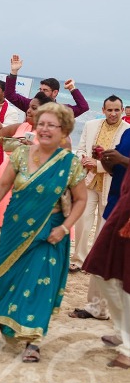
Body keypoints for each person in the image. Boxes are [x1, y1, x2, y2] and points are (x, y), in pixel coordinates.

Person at [0, 103, 87, 363]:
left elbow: (80, 200)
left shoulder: (69, 164)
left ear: (64, 131)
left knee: (39, 283)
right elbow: (3, 184)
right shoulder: (20, 154)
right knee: (5, 276)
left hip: (49, 233)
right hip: (14, 228)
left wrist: (64, 227)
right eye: (42, 124)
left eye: (52, 125)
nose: (45, 129)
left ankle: (33, 341)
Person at [82, 156, 130, 369]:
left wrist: (122, 159)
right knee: (101, 268)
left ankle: (128, 348)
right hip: (123, 204)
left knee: (126, 278)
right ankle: (122, 331)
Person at [72, 96, 129, 272]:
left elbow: (121, 160)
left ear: (122, 111)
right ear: (103, 110)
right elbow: (80, 148)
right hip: (88, 182)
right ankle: (78, 260)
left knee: (104, 225)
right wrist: (84, 159)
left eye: (116, 110)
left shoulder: (127, 131)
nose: (113, 113)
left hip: (112, 185)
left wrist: (97, 164)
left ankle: (96, 262)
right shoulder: (90, 126)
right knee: (82, 222)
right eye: (109, 110)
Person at [0, 92, 55, 227]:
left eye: (34, 108)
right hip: (6, 183)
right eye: (29, 107)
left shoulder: (48, 133)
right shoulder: (21, 127)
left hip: (26, 185)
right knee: (5, 223)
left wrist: (34, 149)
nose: (28, 110)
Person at [4, 54, 89, 117]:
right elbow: (10, 94)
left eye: (45, 90)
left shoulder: (61, 110)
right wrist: (14, 72)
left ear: (55, 92)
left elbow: (83, 107)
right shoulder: (30, 104)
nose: (41, 92)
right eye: (40, 89)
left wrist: (72, 88)